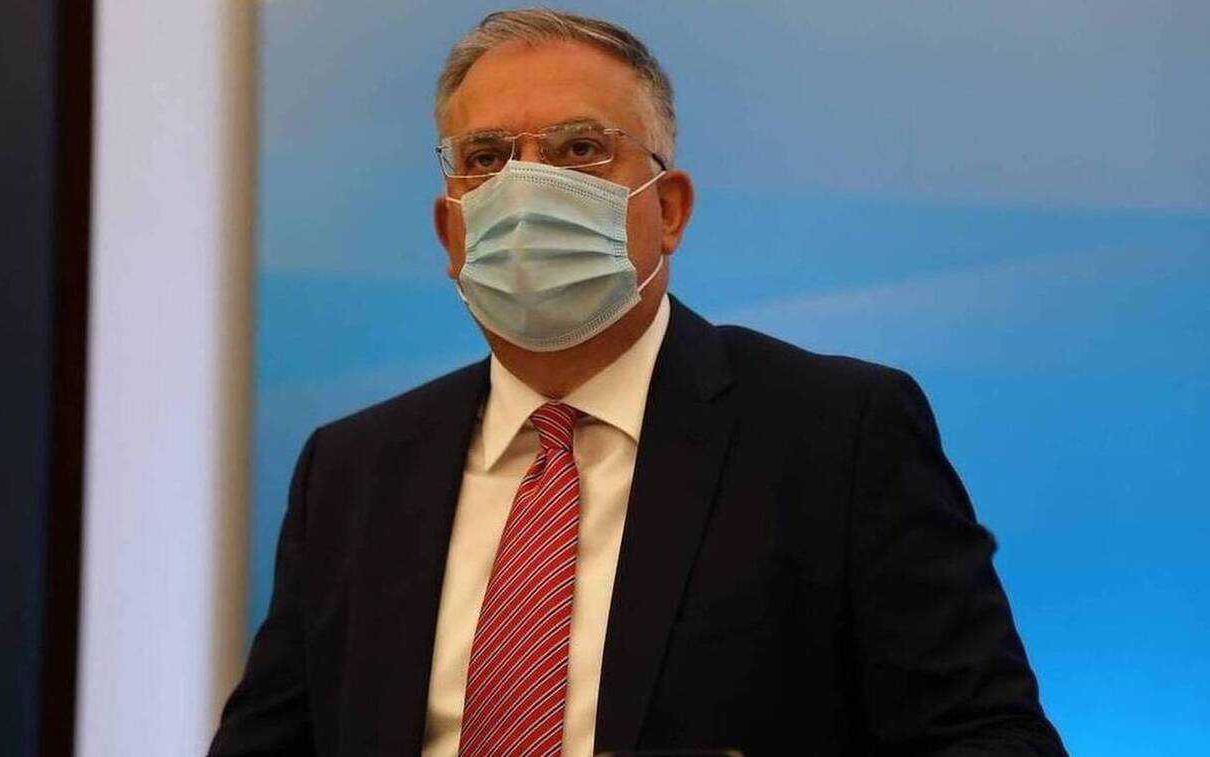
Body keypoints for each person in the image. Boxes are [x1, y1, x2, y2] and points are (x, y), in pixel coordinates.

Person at [209, 9, 1065, 756]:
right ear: (449, 230)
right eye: (487, 157)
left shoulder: (837, 434)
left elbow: (991, 737)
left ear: (670, 209)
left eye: (580, 149)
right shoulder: (352, 471)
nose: (527, 189)